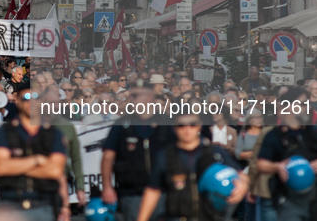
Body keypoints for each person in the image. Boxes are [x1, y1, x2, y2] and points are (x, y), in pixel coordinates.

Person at [137, 112, 249, 221]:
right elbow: (153, 190)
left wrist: (242, 184)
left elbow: (239, 173)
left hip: (210, 216)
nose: (187, 129)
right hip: (177, 216)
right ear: (174, 127)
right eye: (181, 125)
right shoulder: (165, 156)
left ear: (199, 125)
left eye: (192, 124)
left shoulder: (215, 152)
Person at [0, 84, 68, 221]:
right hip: (11, 207)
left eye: (36, 97)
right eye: (26, 98)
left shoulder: (53, 133)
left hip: (44, 204)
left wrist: (14, 167)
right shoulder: (6, 131)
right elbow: (0, 167)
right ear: (17, 101)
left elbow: (55, 171)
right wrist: (37, 161)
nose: (31, 102)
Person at [101, 85, 171, 221]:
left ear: (149, 97)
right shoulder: (122, 124)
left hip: (163, 191)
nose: (131, 99)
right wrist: (107, 186)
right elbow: (108, 157)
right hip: (132, 192)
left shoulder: (166, 123)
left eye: (135, 96)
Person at [256, 87, 317, 221]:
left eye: (307, 104)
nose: (307, 108)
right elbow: (260, 164)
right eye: (302, 104)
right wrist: (277, 167)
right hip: (288, 199)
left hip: (314, 198)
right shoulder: (274, 135)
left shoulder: (310, 132)